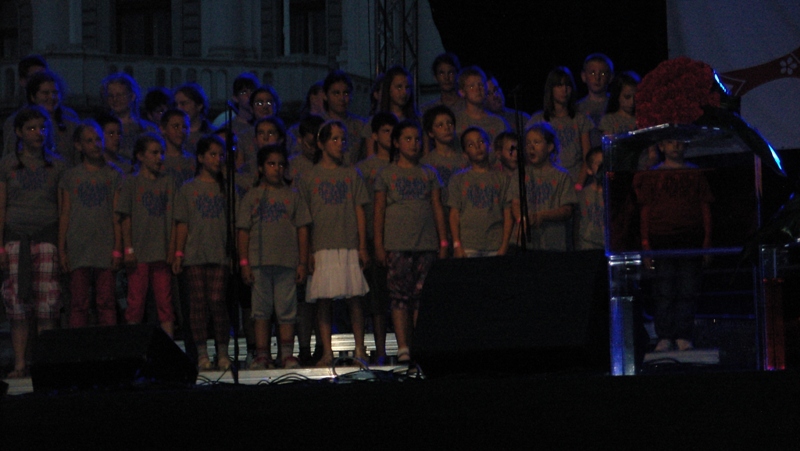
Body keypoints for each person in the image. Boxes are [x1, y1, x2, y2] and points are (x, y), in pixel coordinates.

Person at [297, 120, 371, 367]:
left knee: (355, 297)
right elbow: (305, 218)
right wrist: (307, 252)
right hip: (322, 244)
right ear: (321, 143)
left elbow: (359, 210)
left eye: (343, 139)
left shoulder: (352, 174)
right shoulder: (309, 177)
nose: (340, 144)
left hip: (348, 242)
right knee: (323, 300)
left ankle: (360, 349)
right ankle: (327, 352)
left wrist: (362, 246)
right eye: (335, 139)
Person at [373, 120, 448, 363]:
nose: (413, 144)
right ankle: (403, 346)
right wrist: (379, 244)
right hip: (397, 245)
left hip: (426, 244)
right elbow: (379, 211)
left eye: (417, 139)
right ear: (396, 142)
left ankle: (419, 343)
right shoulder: (386, 174)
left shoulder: (429, 173)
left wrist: (443, 242)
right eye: (407, 139)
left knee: (421, 297)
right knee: (399, 297)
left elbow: (437, 207)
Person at [0, 106, 66, 378]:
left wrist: (61, 246)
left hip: (46, 237)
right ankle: (19, 364)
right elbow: (1, 206)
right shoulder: (7, 164)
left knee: (47, 306)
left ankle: (44, 366)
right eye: (31, 128)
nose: (38, 133)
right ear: (18, 132)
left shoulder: (57, 165)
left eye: (42, 127)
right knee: (17, 307)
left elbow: (62, 209)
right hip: (16, 238)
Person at [634, 139, 713, 352]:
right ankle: (665, 335)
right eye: (670, 143)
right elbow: (645, 211)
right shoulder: (653, 175)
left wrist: (706, 242)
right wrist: (646, 245)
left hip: (690, 238)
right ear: (661, 146)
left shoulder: (695, 173)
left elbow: (705, 208)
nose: (675, 146)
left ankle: (684, 334)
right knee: (664, 290)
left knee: (688, 289)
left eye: (679, 143)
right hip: (661, 238)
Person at [238, 144, 311, 369]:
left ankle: (286, 354)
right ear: (261, 167)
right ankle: (262, 355)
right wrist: (244, 263)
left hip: (286, 261)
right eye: (271, 164)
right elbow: (243, 230)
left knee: (286, 309)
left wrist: (302, 262)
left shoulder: (293, 196)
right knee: (261, 310)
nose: (276, 169)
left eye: (280, 164)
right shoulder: (252, 196)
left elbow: (302, 229)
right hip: (259, 262)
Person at [172, 135, 232, 371]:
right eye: (212, 155)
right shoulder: (188, 189)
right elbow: (182, 223)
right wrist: (179, 253)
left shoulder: (226, 188)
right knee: (197, 305)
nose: (217, 159)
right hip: (195, 254)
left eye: (221, 155)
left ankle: (223, 351)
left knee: (217, 302)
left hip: (219, 253)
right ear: (200, 157)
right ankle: (201, 354)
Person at [59, 121, 122, 328]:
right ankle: (78, 345)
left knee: (106, 301)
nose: (95, 145)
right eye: (89, 141)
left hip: (104, 244)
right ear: (79, 145)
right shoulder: (71, 176)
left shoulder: (113, 175)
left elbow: (116, 214)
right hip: (78, 244)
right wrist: (62, 249)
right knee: (79, 302)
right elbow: (65, 213)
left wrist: (117, 247)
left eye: (98, 140)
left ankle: (108, 345)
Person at [116, 133, 175, 338]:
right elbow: (125, 217)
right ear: (140, 156)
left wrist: (172, 249)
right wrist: (128, 248)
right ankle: (133, 346)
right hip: (139, 253)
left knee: (165, 302)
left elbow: (172, 218)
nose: (160, 157)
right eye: (154, 153)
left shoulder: (167, 182)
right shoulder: (131, 182)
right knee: (136, 302)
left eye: (161, 153)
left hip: (161, 252)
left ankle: (169, 347)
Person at [356, 112, 397, 364]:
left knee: (402, 298)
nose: (390, 136)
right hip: (373, 237)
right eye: (385, 131)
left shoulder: (403, 165)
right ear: (374, 135)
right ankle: (380, 350)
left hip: (400, 237)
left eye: (393, 131)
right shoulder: (364, 168)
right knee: (377, 298)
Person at [511, 123, 577, 251]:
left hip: (553, 244)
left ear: (550, 147)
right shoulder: (520, 173)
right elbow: (515, 203)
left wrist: (542, 216)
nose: (531, 147)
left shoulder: (562, 176)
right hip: (524, 244)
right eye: (528, 143)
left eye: (536, 142)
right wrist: (522, 220)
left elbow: (567, 210)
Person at [447, 126, 512, 258]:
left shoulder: (502, 178)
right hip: (468, 245)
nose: (478, 147)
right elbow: (454, 214)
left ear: (489, 146)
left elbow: (507, 213)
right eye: (471, 145)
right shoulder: (458, 179)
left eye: (481, 142)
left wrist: (504, 246)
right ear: (465, 153)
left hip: (495, 245)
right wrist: (457, 245)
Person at [525, 67, 592, 186]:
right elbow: (528, 154)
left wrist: (579, 185)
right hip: (546, 182)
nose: (564, 90)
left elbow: (587, 156)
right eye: (559, 85)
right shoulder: (537, 120)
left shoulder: (580, 119)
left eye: (567, 85)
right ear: (551, 89)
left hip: (574, 180)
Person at [11, 71, 81, 166]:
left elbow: (79, 159)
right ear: (33, 96)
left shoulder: (71, 125)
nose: (51, 97)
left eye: (55, 93)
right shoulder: (19, 123)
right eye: (45, 93)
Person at [363, 65, 420, 159]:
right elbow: (371, 158)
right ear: (388, 89)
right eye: (399, 87)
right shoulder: (373, 122)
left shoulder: (418, 120)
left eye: (407, 87)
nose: (404, 92)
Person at [101, 73, 158, 160]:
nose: (115, 99)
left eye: (119, 95)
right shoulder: (99, 129)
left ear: (132, 96)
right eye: (111, 96)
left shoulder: (148, 129)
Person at [2, 55, 48, 156]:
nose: (41, 82)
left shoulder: (67, 118)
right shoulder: (13, 122)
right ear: (23, 81)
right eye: (35, 78)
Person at [454, 66, 510, 147]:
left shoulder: (499, 123)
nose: (478, 89)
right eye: (472, 86)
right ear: (462, 92)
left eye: (481, 85)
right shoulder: (456, 122)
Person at [321, 70, 367, 164]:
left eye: (346, 93)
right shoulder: (318, 124)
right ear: (325, 95)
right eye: (336, 93)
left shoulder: (360, 125)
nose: (342, 98)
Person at [577, 53, 615, 148]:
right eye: (592, 73)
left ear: (610, 77)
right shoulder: (577, 108)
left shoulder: (617, 104)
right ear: (584, 76)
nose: (597, 78)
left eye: (602, 73)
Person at [575, 147, 605, 250]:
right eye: (599, 164)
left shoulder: (615, 193)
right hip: (588, 246)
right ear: (589, 169)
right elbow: (578, 223)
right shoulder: (583, 194)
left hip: (608, 246)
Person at [173, 83, 215, 155]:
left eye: (183, 104)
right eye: (176, 105)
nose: (178, 108)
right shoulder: (170, 134)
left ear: (199, 105)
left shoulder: (212, 134)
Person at [159, 109, 196, 189]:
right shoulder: (157, 160)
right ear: (163, 129)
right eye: (176, 126)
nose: (181, 131)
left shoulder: (192, 161)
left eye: (185, 127)